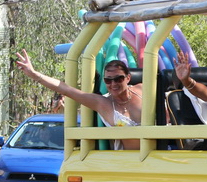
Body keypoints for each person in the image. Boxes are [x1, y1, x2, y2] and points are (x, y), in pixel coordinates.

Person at [14, 49, 142, 150]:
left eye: (118, 79)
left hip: (157, 156)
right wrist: (35, 74)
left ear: (128, 78)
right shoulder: (103, 103)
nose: (113, 84)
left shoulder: (143, 91)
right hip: (127, 160)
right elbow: (66, 89)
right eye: (108, 80)